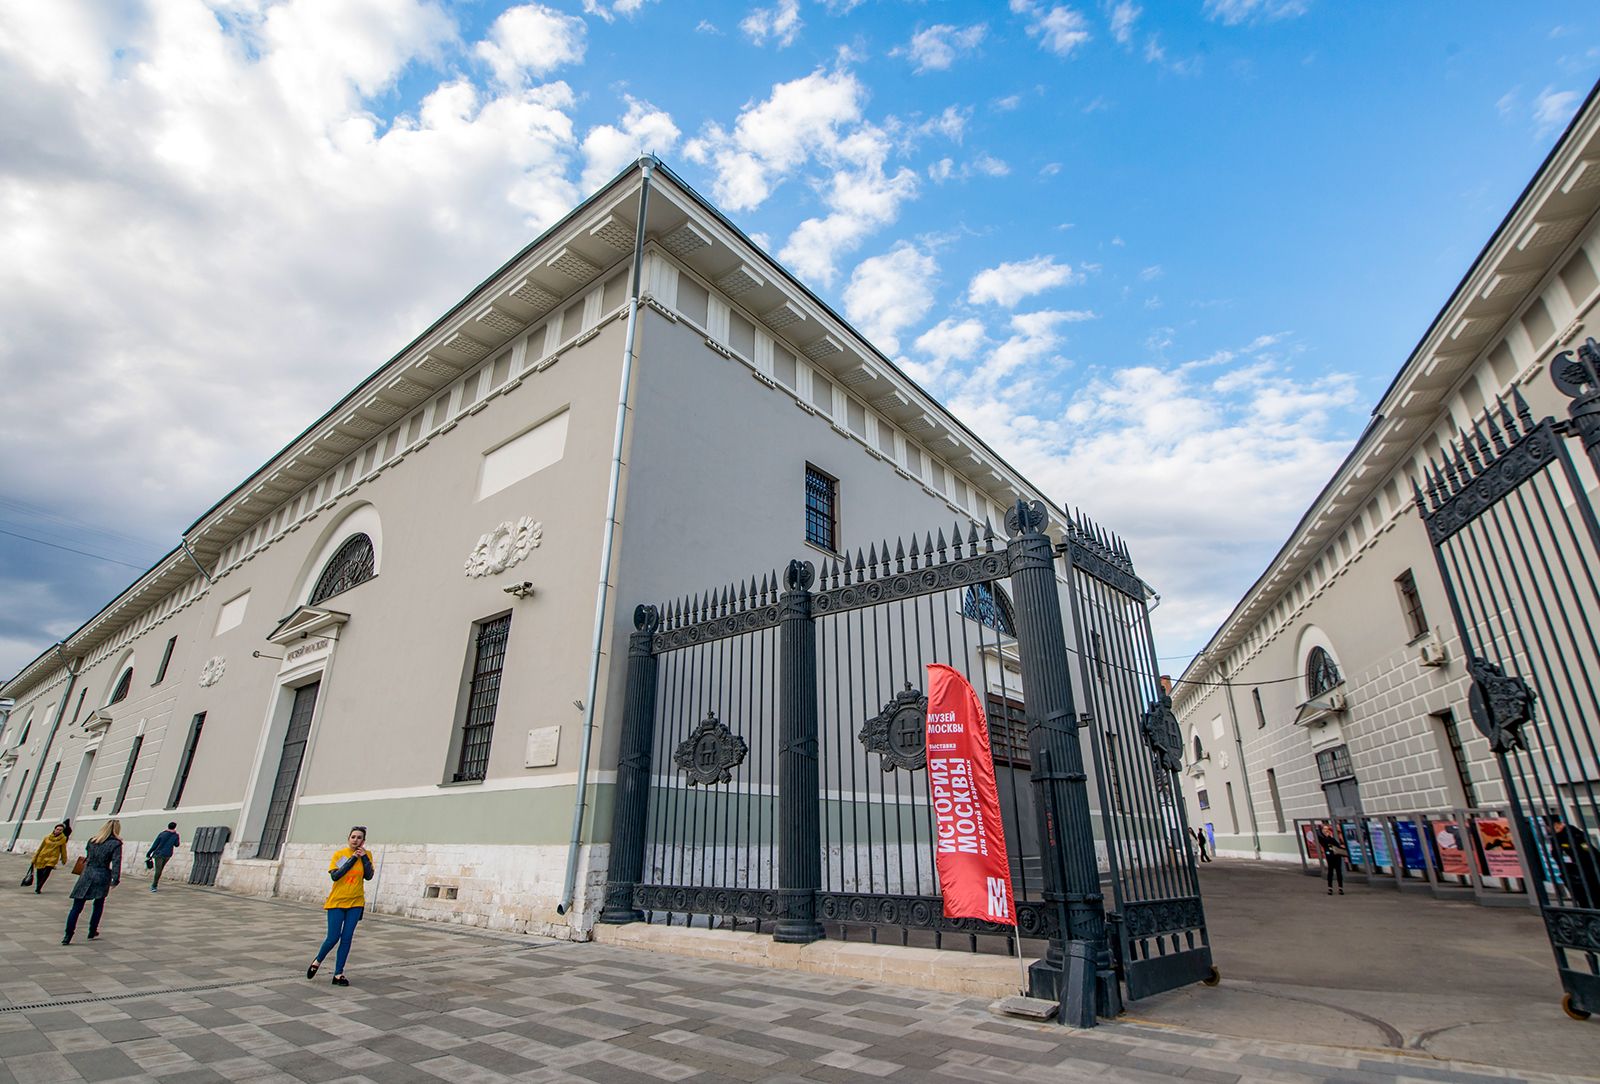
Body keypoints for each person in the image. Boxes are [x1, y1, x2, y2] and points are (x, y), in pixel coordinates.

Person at [307, 827, 373, 986]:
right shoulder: (340, 855)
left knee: (347, 938)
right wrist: (352, 859)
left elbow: (369, 876)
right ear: (348, 838)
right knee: (333, 937)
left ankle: (338, 974)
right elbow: (335, 876)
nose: (355, 840)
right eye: (353, 837)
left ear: (363, 841)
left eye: (359, 838)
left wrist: (363, 858)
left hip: (356, 903)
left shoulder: (367, 855)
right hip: (337, 902)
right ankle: (317, 961)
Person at [63, 820, 122, 944]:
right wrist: (115, 879)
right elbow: (116, 862)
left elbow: (88, 855)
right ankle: (92, 930)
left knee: (77, 906)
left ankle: (68, 935)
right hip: (102, 875)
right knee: (98, 904)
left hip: (87, 873)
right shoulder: (116, 843)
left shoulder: (92, 841)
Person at [1550, 815, 1600, 909]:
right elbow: (1556, 854)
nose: (1549, 830)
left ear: (1556, 824)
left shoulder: (1571, 833)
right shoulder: (1562, 835)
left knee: (1590, 895)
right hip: (1581, 869)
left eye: (1548, 827)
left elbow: (1587, 851)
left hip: (1587, 869)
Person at [26, 824, 69, 893]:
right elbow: (40, 848)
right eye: (57, 829)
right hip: (42, 857)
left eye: (60, 830)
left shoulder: (63, 839)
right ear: (54, 829)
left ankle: (40, 886)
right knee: (39, 873)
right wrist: (34, 859)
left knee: (46, 872)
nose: (58, 831)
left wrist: (64, 859)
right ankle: (38, 886)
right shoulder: (47, 837)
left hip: (52, 858)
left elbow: (63, 850)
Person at [146, 822, 181, 891]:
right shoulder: (175, 835)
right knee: (160, 869)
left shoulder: (162, 834)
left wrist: (149, 853)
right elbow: (177, 844)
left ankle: (154, 885)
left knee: (158, 870)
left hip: (159, 854)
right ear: (175, 827)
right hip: (168, 854)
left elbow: (155, 844)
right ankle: (154, 885)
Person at [1317, 824, 1347, 895]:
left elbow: (1337, 845)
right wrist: (1328, 838)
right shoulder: (1321, 838)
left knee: (1339, 872)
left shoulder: (1331, 838)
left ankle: (1340, 888)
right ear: (1322, 830)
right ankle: (1330, 888)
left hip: (1336, 856)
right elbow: (1324, 844)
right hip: (1330, 857)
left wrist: (1331, 837)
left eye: (1327, 829)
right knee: (1330, 872)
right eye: (1325, 829)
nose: (1327, 830)